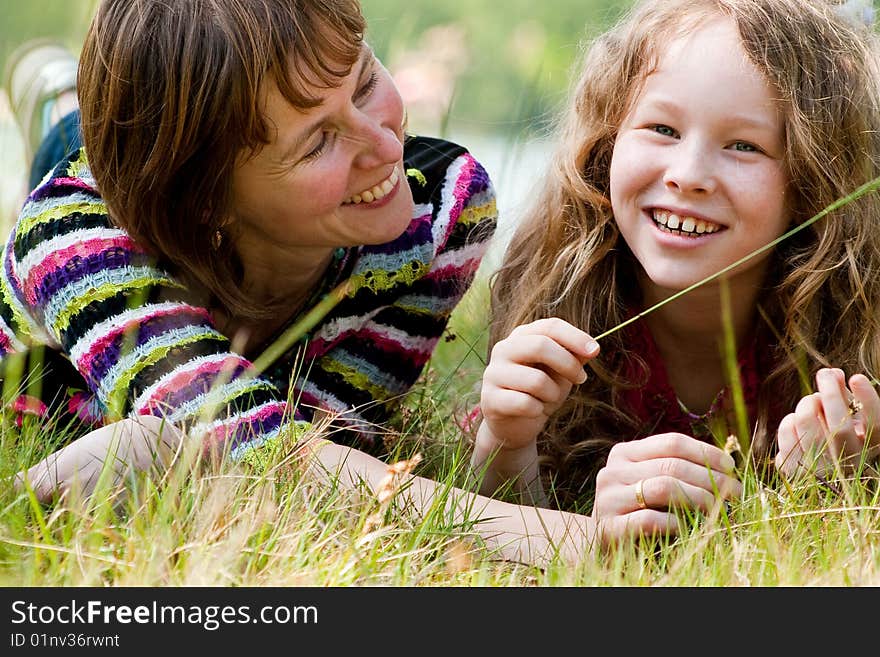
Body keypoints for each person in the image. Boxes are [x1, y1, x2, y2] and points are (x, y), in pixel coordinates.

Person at [0, 0, 604, 567]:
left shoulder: (441, 210)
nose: (386, 144)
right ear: (211, 200)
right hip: (131, 201)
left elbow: (330, 440)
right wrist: (566, 541)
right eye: (317, 141)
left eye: (364, 82)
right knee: (86, 137)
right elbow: (256, 447)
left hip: (192, 174)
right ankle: (59, 105)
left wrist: (185, 448)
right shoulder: (72, 238)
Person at [471, 0, 880, 546]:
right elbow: (489, 535)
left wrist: (832, 494)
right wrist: (507, 441)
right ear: (607, 141)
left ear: (814, 180)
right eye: (662, 128)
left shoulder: (855, 335)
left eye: (744, 146)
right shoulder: (562, 294)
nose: (688, 176)